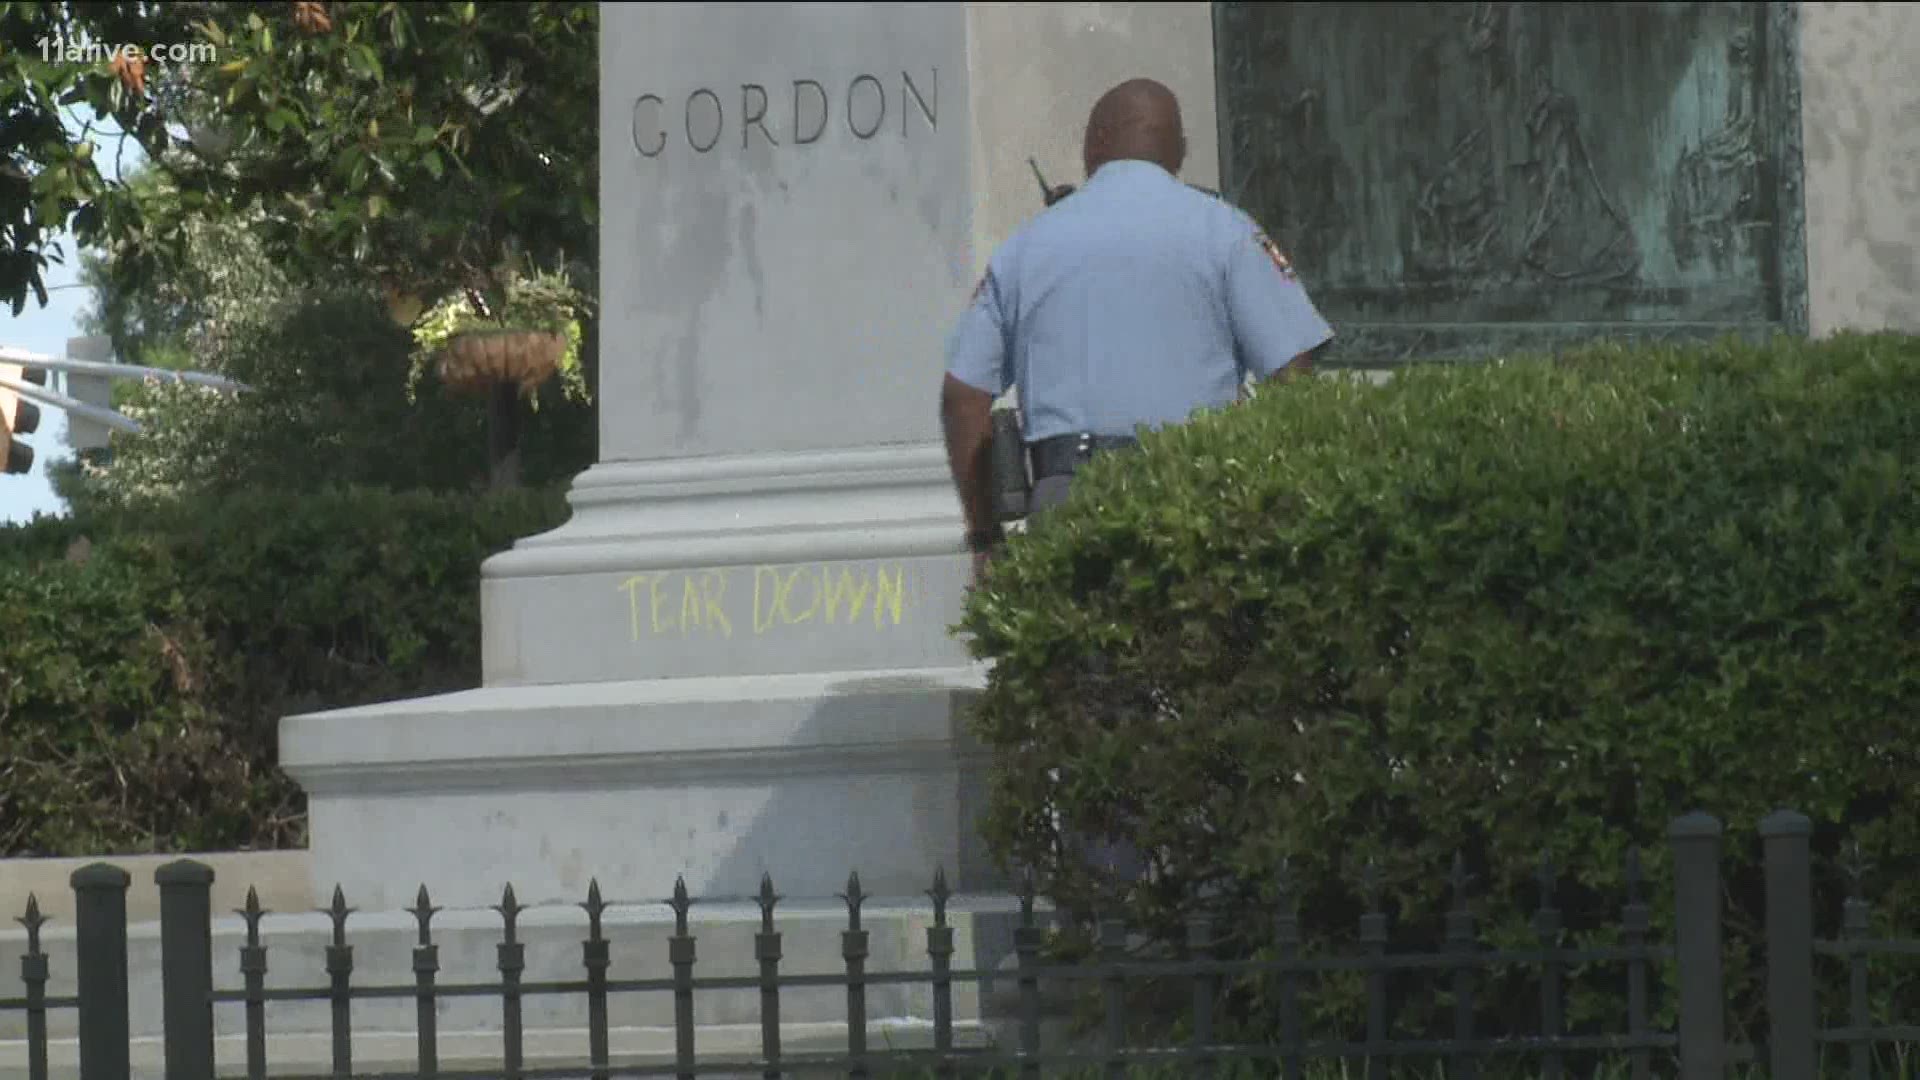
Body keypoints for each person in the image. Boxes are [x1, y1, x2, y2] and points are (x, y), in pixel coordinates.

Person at [939, 78, 1335, 584]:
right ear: (1182, 152)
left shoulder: (1024, 249)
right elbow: (1292, 375)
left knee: (1075, 659)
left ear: (1092, 145)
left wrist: (986, 536)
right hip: (1194, 493)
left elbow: (962, 397)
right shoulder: (1226, 231)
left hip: (1066, 501)